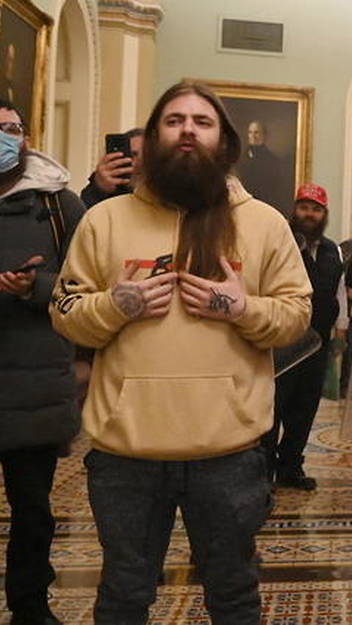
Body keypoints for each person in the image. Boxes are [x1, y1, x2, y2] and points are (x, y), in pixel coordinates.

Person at [50, 81, 311, 624]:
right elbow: (66, 314)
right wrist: (115, 305)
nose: (187, 130)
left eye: (201, 121)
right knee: (123, 596)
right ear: (150, 139)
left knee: (233, 596)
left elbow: (297, 318)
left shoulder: (264, 223)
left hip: (230, 454)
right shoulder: (105, 220)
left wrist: (243, 309)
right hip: (127, 455)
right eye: (173, 121)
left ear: (224, 142)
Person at [0, 98, 85, 625]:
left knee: (33, 513)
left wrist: (39, 286)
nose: (5, 136)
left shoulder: (58, 205)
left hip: (35, 388)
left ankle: (30, 606)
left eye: (11, 128)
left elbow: (85, 282)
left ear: (27, 136)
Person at [262, 182, 346, 490]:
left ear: (324, 214)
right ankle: (265, 473)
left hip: (318, 345)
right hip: (283, 345)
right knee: (273, 411)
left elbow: (340, 291)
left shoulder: (332, 250)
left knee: (304, 411)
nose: (309, 214)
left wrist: (342, 330)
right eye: (304, 207)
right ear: (294, 210)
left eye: (316, 209)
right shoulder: (279, 243)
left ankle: (291, 468)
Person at [80, 128, 143, 209]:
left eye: (147, 155)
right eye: (132, 155)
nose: (139, 163)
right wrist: (98, 189)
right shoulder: (99, 192)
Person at [237, 120, 291, 213]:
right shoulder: (240, 158)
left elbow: (275, 189)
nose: (253, 136)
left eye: (257, 132)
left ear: (264, 135)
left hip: (263, 207)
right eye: (250, 132)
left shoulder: (273, 161)